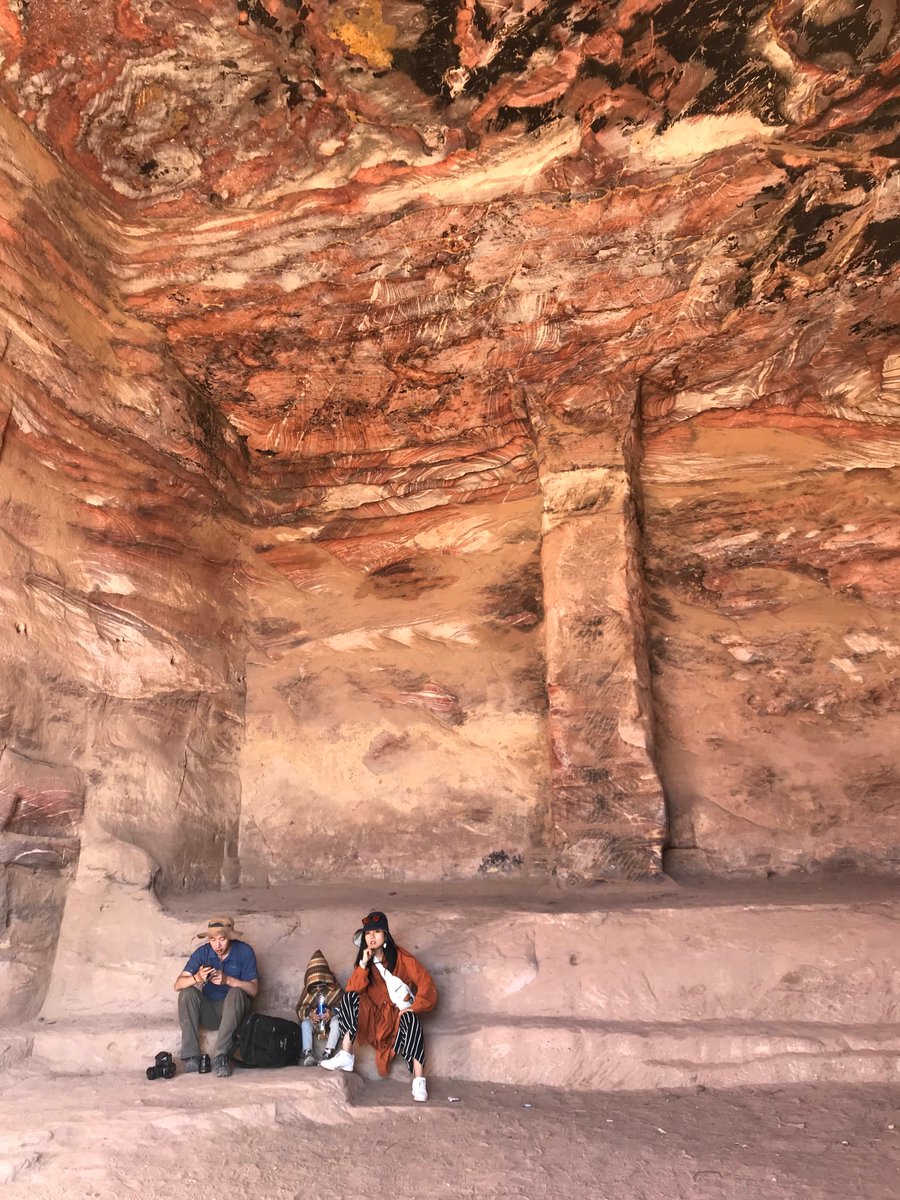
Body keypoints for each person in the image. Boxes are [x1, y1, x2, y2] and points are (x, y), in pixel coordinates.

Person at [319, 911, 437, 1102]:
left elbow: (427, 984)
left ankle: (419, 1080)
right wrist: (364, 964)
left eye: (376, 932)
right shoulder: (364, 961)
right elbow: (352, 989)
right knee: (350, 996)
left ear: (386, 935)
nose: (371, 937)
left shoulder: (403, 958)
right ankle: (346, 1055)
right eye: (367, 933)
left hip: (396, 1021)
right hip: (373, 1022)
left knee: (412, 1018)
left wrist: (415, 1006)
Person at [174, 916, 259, 1077]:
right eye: (213, 939)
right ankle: (191, 1056)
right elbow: (177, 985)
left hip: (236, 1013)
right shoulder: (203, 952)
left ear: (231, 937)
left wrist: (228, 980)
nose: (217, 945)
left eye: (222, 939)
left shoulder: (244, 952)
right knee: (187, 993)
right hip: (211, 1011)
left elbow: (254, 990)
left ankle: (221, 1056)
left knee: (236, 993)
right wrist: (196, 978)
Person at [296, 947, 343, 1066]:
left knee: (337, 1022)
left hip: (329, 1019)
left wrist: (331, 1013)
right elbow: (300, 1008)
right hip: (315, 1020)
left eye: (320, 985)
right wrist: (310, 1014)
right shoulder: (307, 991)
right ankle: (308, 1053)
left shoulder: (335, 988)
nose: (317, 988)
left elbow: (343, 1005)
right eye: (314, 985)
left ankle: (327, 1053)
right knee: (305, 1023)